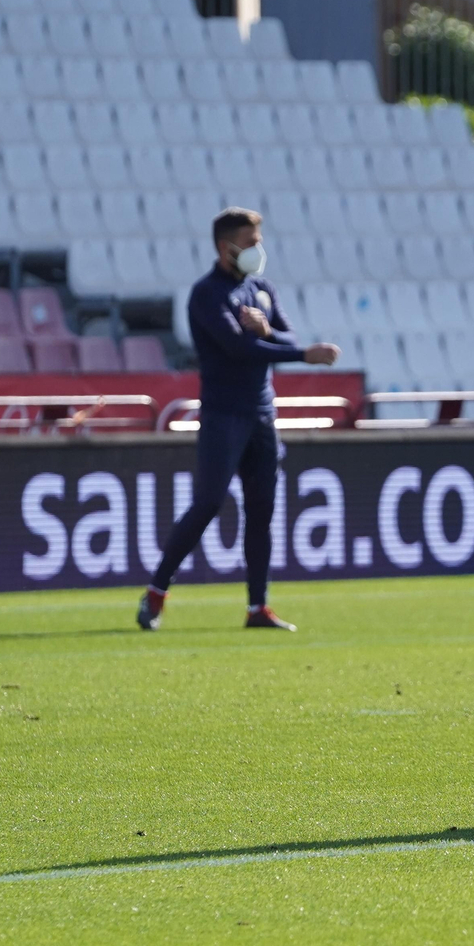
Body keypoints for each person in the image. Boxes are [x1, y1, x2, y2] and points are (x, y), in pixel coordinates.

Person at [137, 207, 341, 631]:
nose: (257, 250)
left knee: (262, 510)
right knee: (208, 503)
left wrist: (269, 334)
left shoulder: (260, 288)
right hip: (223, 416)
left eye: (258, 242)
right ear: (224, 247)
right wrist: (301, 355)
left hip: (262, 414)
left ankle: (257, 607)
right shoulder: (207, 295)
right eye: (249, 244)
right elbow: (238, 349)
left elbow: (284, 336)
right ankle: (157, 591)